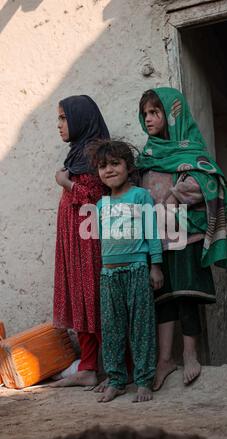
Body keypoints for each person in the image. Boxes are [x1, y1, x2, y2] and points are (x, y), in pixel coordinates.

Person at [137, 87, 227, 390]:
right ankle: (165, 359)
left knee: (187, 295)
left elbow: (208, 181)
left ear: (171, 114)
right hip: (157, 242)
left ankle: (190, 354)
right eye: (145, 114)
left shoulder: (190, 149)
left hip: (186, 238)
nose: (148, 119)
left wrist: (174, 195)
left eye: (155, 112)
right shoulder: (149, 155)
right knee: (163, 298)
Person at [94, 140, 164, 402]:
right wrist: (102, 270)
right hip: (109, 275)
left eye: (115, 163)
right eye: (103, 166)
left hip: (137, 270)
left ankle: (144, 380)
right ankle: (116, 380)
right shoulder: (100, 206)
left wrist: (155, 266)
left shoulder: (140, 196)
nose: (109, 170)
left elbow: (152, 232)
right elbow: (102, 241)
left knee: (141, 327)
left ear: (128, 167)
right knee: (111, 329)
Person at [52, 95, 110, 387]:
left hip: (90, 240)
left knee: (96, 299)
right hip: (73, 241)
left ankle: (115, 369)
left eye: (64, 118)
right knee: (79, 297)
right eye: (59, 119)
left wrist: (67, 184)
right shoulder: (76, 153)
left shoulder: (96, 154)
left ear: (81, 118)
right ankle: (87, 368)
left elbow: (99, 198)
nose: (60, 125)